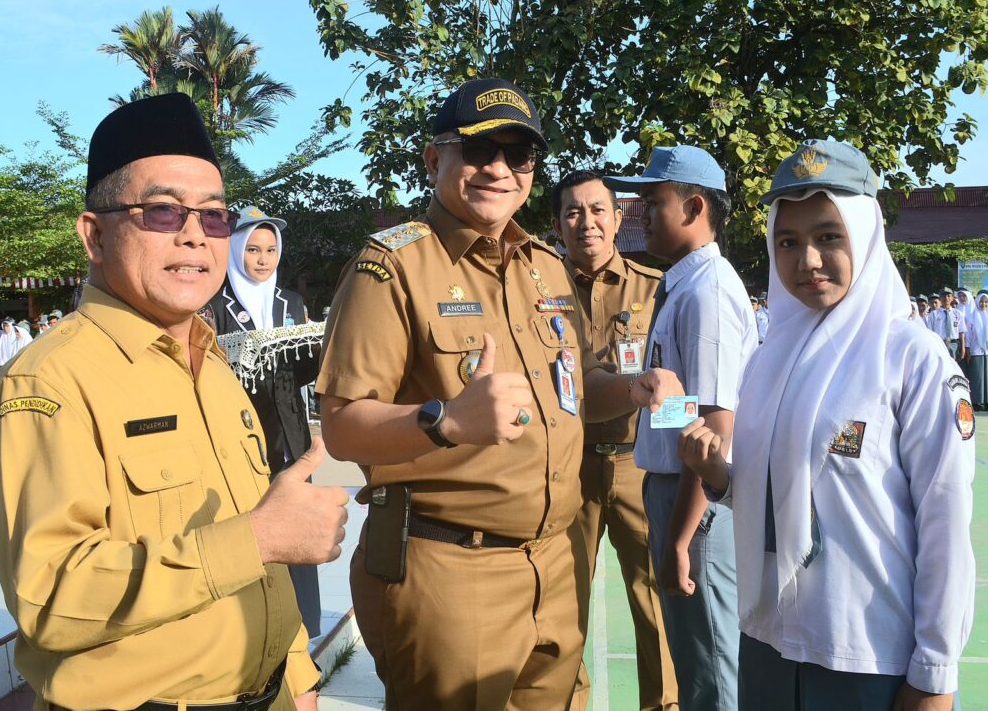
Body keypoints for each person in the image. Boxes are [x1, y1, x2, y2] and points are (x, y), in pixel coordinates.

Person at [315, 78, 681, 711]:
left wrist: (630, 387)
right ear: (435, 160)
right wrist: (445, 420)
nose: (499, 170)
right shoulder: (394, 267)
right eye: (480, 150)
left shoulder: (544, 264)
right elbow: (343, 426)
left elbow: (567, 392)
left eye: (518, 156)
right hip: (451, 572)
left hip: (555, 565)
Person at [0, 93, 350, 711]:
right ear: (94, 235)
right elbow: (49, 597)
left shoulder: (213, 364)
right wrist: (257, 539)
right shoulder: (50, 381)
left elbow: (262, 546)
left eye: (213, 217)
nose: (193, 236)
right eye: (160, 211)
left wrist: (298, 677)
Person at [677, 140, 974, 711]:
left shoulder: (911, 358)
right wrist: (722, 478)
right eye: (788, 242)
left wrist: (935, 673)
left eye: (827, 237)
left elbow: (946, 523)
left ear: (863, 236)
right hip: (769, 644)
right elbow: (789, 498)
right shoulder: (769, 361)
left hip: (866, 657)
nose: (807, 260)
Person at [606, 145, 758, 711]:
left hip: (695, 504)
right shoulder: (684, 285)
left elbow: (715, 426)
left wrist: (677, 539)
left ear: (695, 207)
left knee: (713, 672)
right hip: (676, 494)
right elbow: (688, 409)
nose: (640, 215)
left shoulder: (708, 292)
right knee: (697, 662)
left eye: (652, 203)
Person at [551, 169, 677, 711]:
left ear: (618, 216)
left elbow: (677, 381)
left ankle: (663, 705)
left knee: (656, 605)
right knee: (560, 605)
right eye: (574, 212)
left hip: (637, 467)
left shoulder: (656, 288)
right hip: (564, 470)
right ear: (557, 223)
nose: (588, 223)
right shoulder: (536, 290)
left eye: (599, 210)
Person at [206, 205, 323, 638]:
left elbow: (302, 372)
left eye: (271, 250)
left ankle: (305, 628)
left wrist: (314, 345)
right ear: (235, 249)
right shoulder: (214, 303)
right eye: (253, 249)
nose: (263, 259)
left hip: (291, 436)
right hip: (240, 435)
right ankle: (254, 630)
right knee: (249, 530)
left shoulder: (289, 302)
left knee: (298, 529)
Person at [966, 291, 988, 411]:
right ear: (977, 302)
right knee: (978, 377)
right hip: (976, 350)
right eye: (981, 301)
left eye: (986, 302)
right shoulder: (971, 317)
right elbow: (968, 335)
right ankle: (977, 401)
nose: (984, 304)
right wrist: (968, 351)